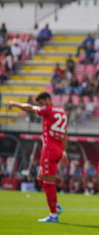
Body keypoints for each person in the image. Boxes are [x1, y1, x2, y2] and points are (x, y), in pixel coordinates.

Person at [8, 92, 68, 223]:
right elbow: (64, 134)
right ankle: (55, 205)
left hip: (49, 150)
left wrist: (15, 103)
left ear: (47, 99)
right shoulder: (62, 112)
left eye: (41, 103)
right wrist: (64, 152)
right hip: (57, 149)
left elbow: (30, 108)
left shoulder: (48, 109)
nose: (40, 106)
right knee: (40, 177)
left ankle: (53, 214)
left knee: (48, 181)